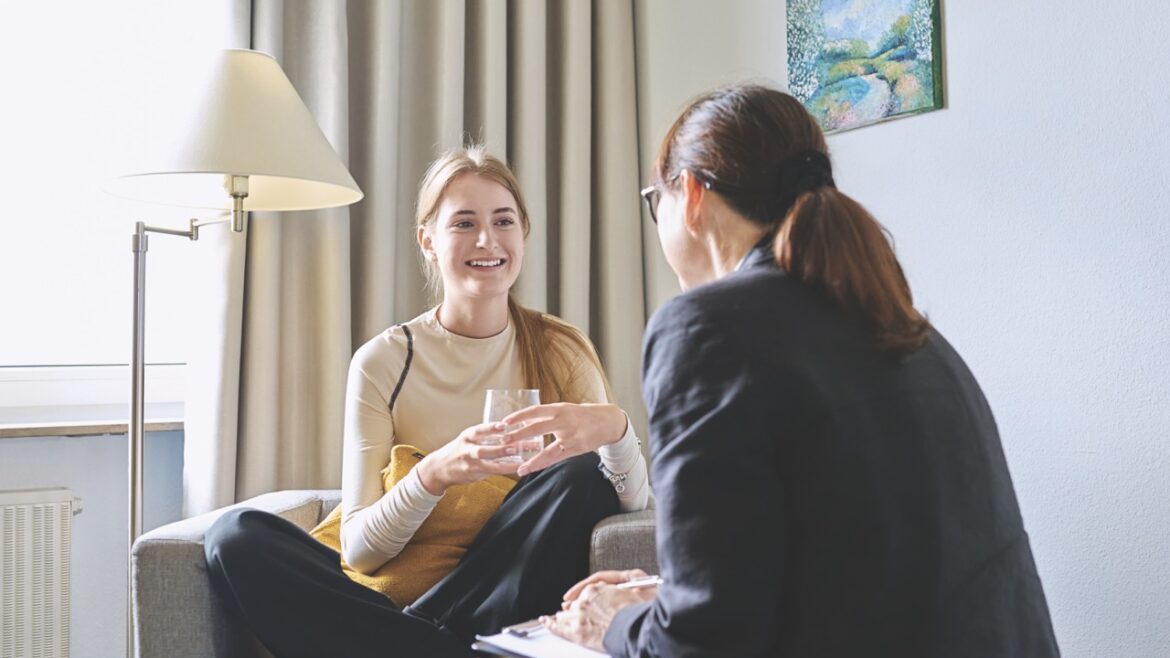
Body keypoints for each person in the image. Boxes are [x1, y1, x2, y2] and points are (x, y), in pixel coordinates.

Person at [537, 84, 1060, 657]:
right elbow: (858, 571)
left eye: (652, 199)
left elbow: (702, 646)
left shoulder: (705, 328)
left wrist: (610, 624)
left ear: (690, 195)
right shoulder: (908, 329)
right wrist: (665, 596)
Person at [203, 146, 651, 657]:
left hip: (494, 599)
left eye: (503, 221)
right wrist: (434, 473)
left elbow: (629, 510)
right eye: (463, 223)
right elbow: (363, 553)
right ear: (428, 241)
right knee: (235, 537)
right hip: (390, 608)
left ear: (522, 233)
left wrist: (615, 428)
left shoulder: (560, 349)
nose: (487, 240)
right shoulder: (383, 362)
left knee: (579, 477)